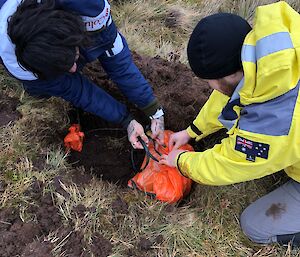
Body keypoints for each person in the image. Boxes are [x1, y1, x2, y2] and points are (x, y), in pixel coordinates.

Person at [160, 1, 300, 247]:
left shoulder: (275, 121)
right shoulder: (274, 50)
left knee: (255, 226)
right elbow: (231, 97)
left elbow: (228, 163)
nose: (209, 88)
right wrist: (192, 132)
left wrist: (180, 161)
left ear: (225, 76)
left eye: (208, 82)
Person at [0, 0, 165, 150]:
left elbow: (117, 61)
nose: (73, 70)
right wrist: (125, 120)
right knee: (42, 91)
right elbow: (77, 91)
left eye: (73, 56)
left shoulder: (88, 7)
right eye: (64, 67)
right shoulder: (18, 64)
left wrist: (152, 109)